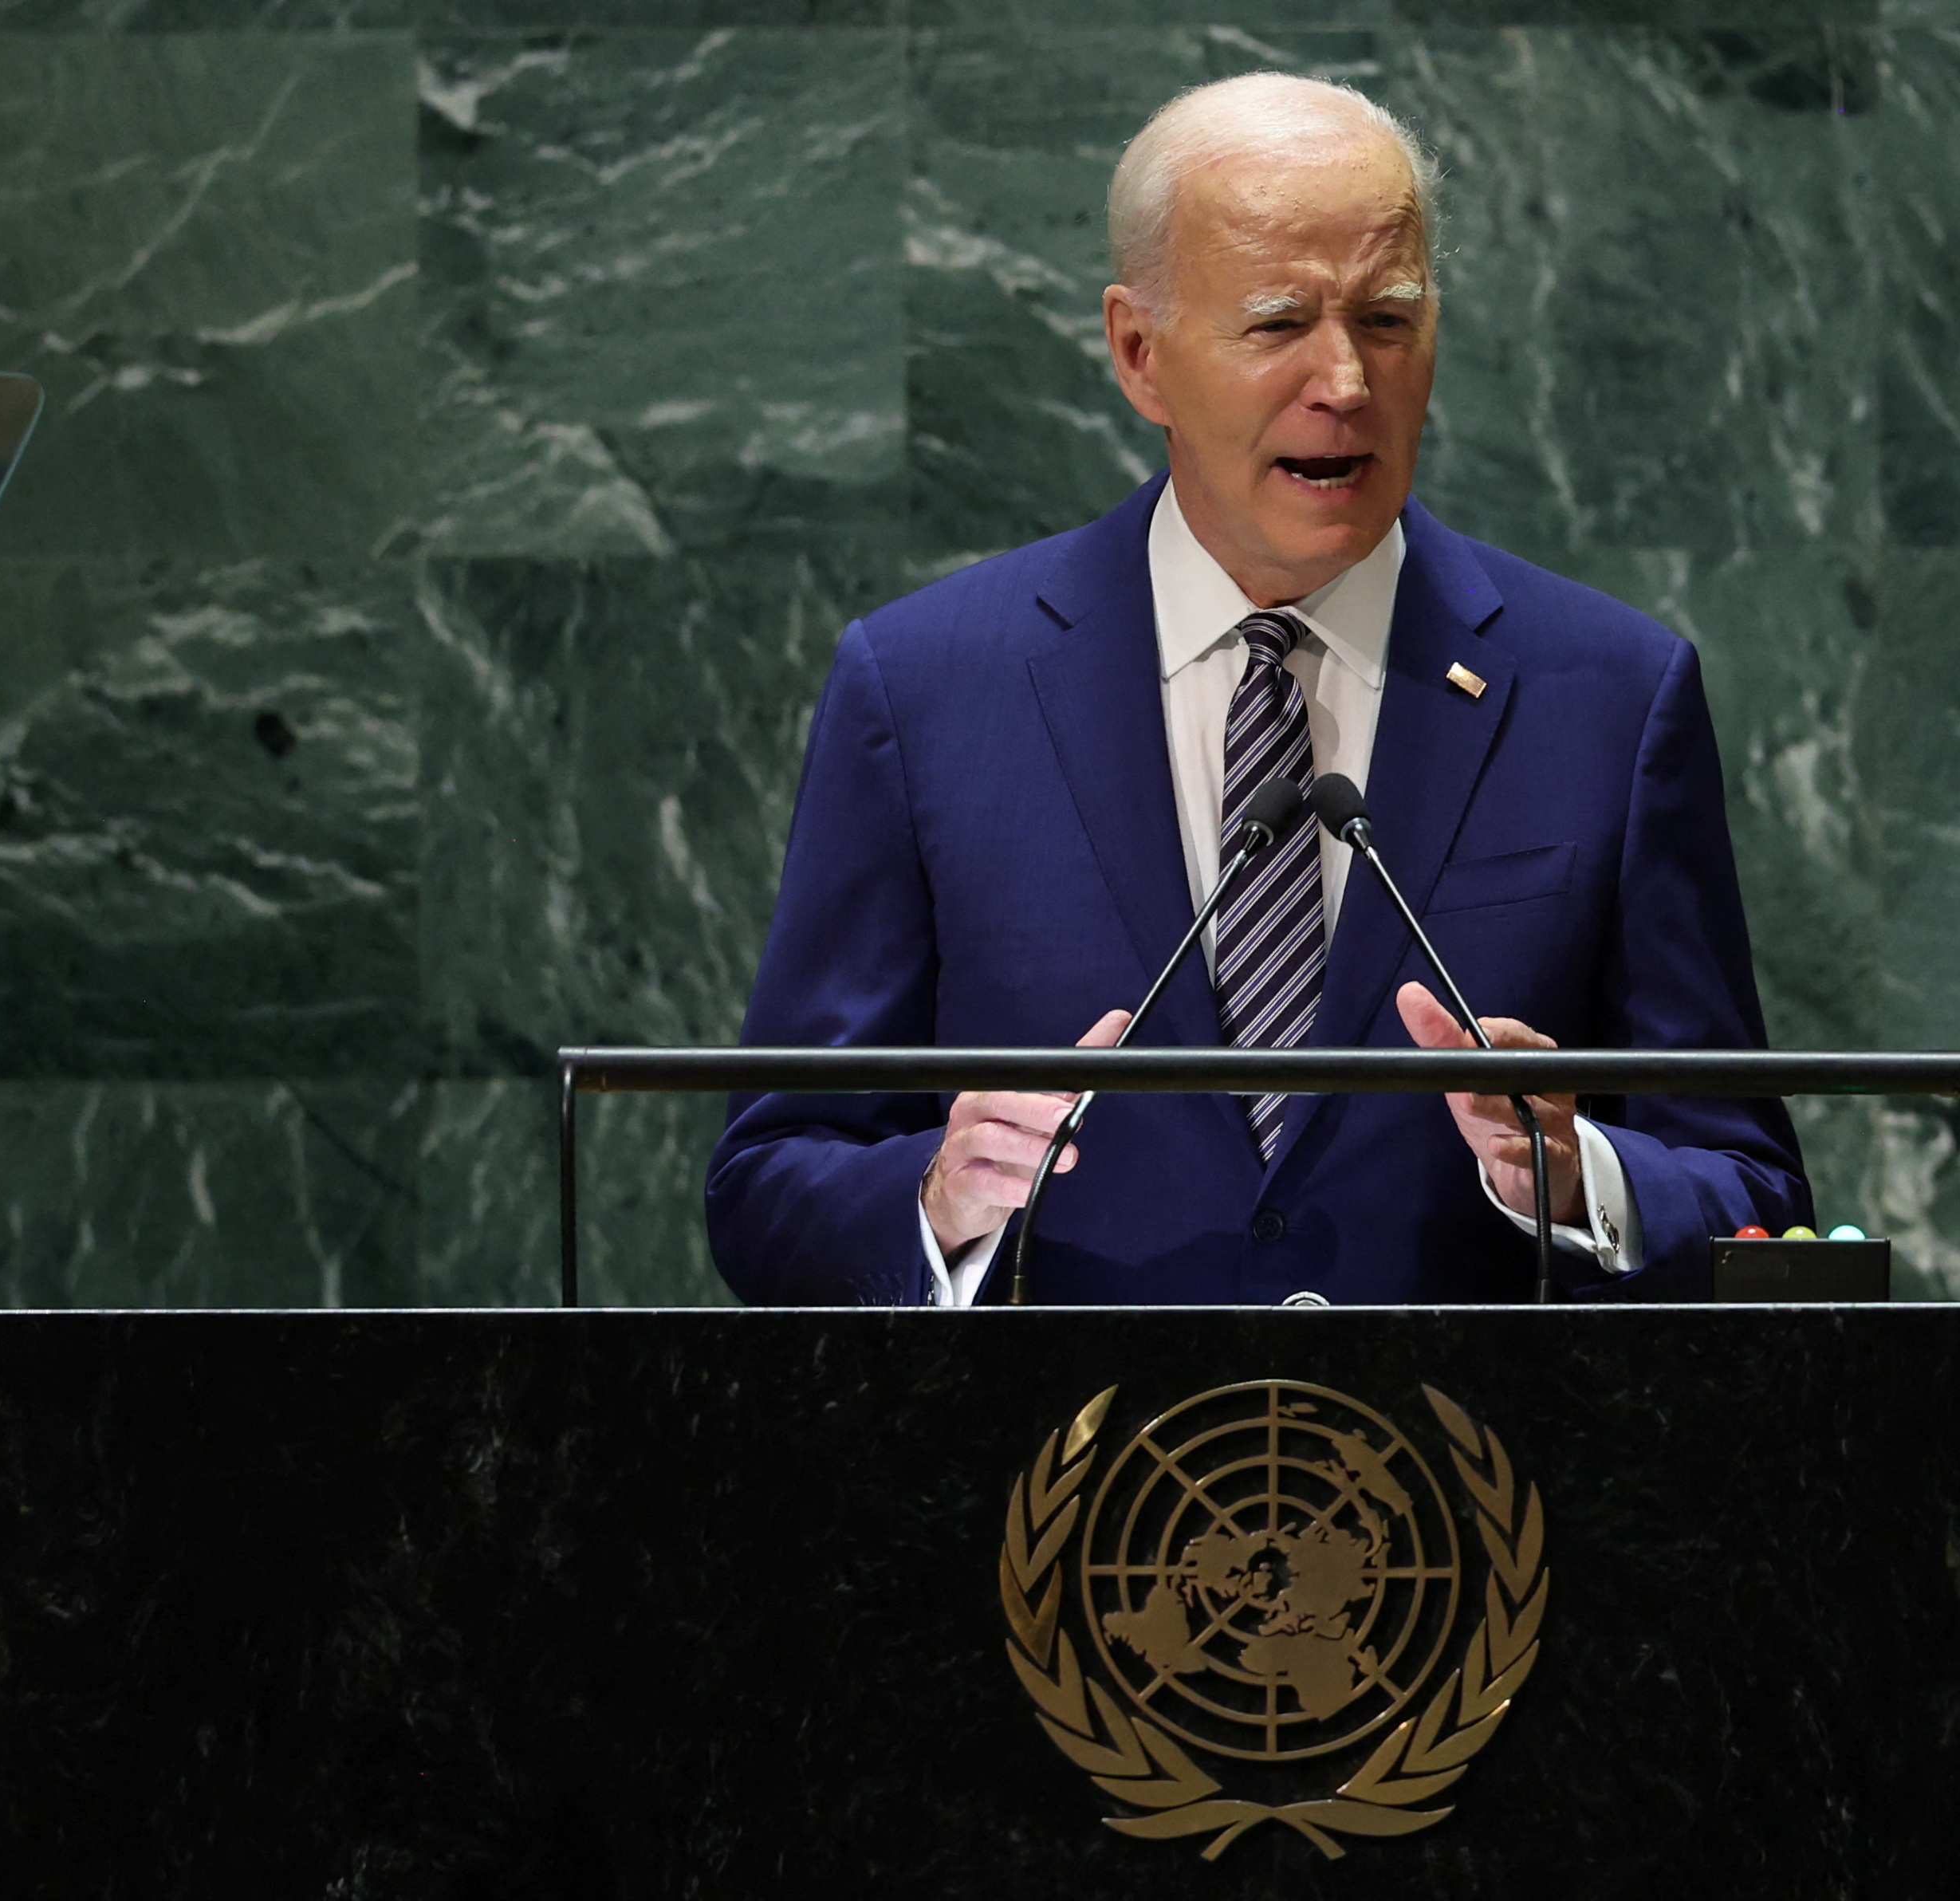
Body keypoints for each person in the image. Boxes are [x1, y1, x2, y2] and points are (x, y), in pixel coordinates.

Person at [707, 72, 1810, 1306]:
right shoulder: (924, 690)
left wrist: (1581, 1177)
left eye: (1388, 321)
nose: (1345, 380)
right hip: (1073, 1483)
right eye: (1281, 322)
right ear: (1139, 354)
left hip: (1475, 1483)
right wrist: (937, 1197)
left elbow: (1749, 1191)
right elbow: (768, 1185)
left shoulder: (1607, 693)